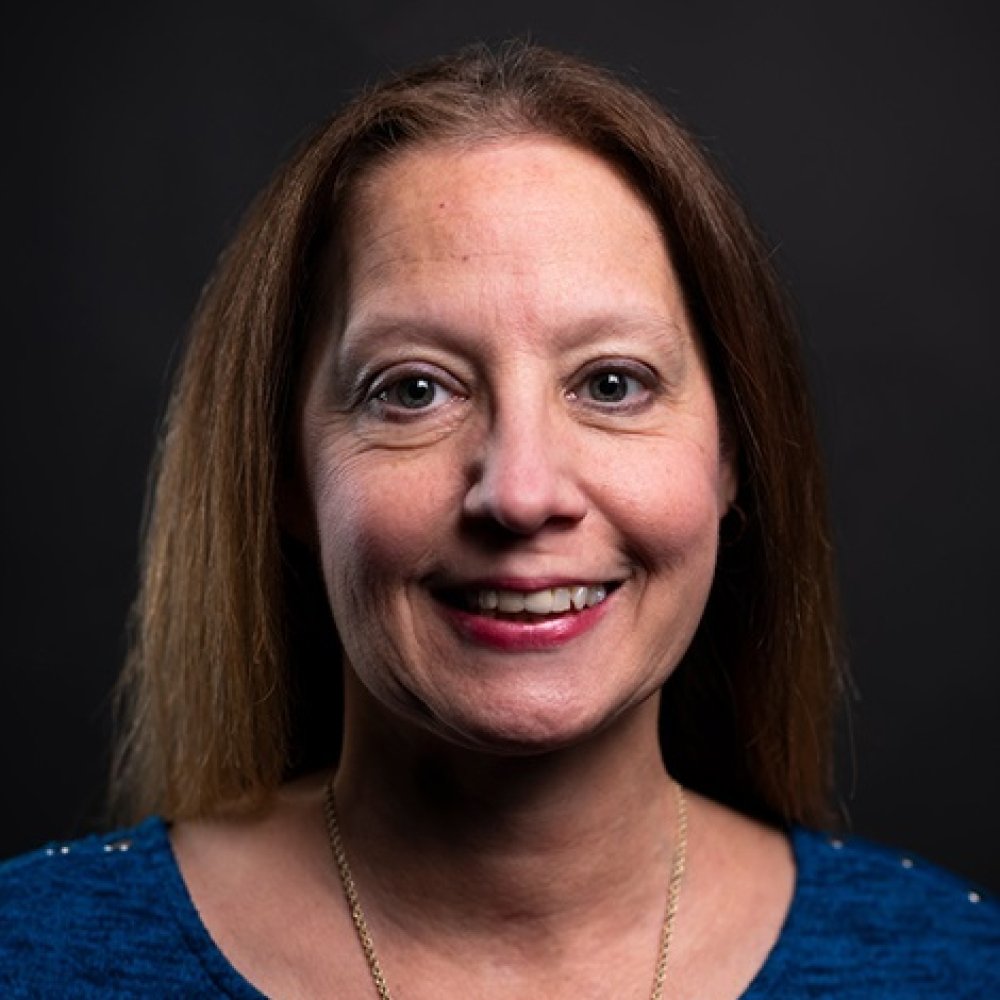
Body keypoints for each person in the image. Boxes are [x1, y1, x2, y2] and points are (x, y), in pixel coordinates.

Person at [1, 42, 996, 999]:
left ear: (732, 454)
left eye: (611, 382)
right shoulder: (29, 958)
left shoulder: (955, 969)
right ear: (285, 474)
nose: (520, 494)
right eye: (413, 391)